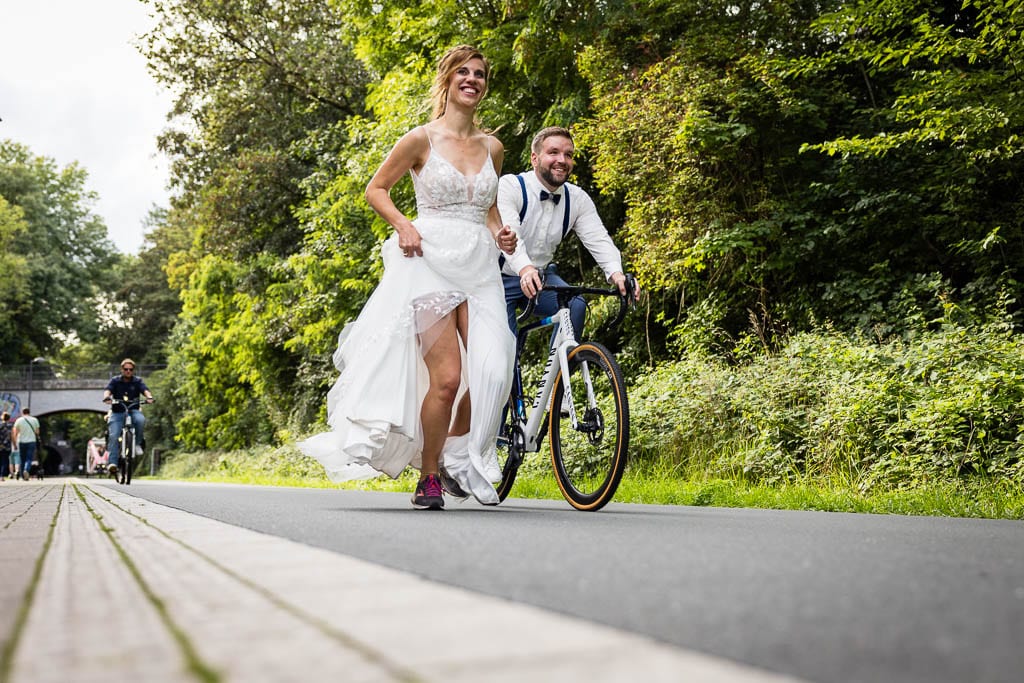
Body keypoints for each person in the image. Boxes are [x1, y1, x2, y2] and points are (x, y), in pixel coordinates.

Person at [298, 45, 517, 510]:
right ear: (447, 80)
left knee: (494, 369)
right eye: (464, 72)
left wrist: (503, 235)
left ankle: (461, 453)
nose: (472, 80)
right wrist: (403, 225)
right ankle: (431, 476)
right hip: (429, 263)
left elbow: (489, 210)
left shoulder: (492, 147)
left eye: (479, 74)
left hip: (480, 268)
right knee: (448, 380)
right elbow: (375, 189)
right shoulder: (420, 140)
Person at [497, 126, 637, 335]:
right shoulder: (511, 186)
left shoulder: (577, 199)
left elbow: (598, 238)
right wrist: (525, 269)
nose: (562, 160)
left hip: (541, 278)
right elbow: (511, 236)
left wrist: (616, 274)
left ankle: (564, 364)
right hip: (497, 278)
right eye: (553, 152)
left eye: (568, 155)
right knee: (504, 351)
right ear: (534, 159)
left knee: (576, 306)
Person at [102, 359, 154, 476]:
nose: (128, 371)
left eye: (131, 369)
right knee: (114, 435)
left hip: (133, 410)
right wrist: (107, 397)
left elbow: (145, 390)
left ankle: (137, 444)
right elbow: (108, 390)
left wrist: (149, 397)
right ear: (122, 370)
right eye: (126, 369)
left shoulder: (137, 381)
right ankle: (113, 463)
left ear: (133, 370)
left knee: (141, 420)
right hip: (117, 412)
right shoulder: (115, 380)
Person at [12, 407, 40, 482]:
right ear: (29, 412)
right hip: (31, 441)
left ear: (22, 412)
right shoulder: (34, 420)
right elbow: (37, 432)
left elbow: (15, 433)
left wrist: (14, 443)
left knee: (22, 458)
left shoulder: (19, 420)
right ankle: (26, 470)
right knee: (29, 458)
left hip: (21, 441)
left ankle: (22, 476)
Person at [0, 412, 12, 480]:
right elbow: (11, 435)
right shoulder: (10, 425)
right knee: (5, 461)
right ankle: (2, 476)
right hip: (7, 446)